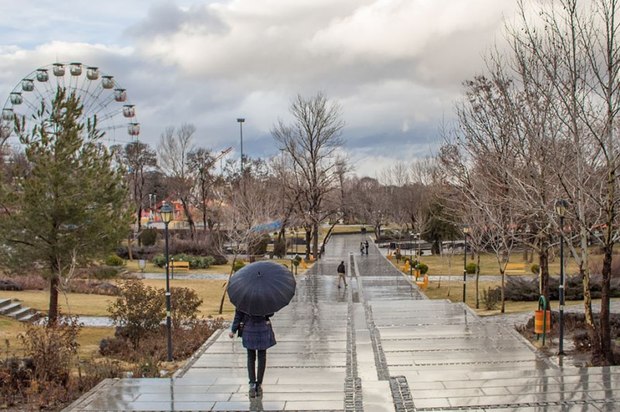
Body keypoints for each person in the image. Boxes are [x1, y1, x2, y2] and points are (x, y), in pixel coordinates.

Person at [229, 309, 277, 398]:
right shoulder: (264, 297)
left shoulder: (244, 298)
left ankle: (252, 383)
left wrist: (233, 330)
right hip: (263, 329)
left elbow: (238, 315)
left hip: (249, 329)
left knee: (250, 357)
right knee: (262, 357)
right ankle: (259, 383)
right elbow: (270, 313)